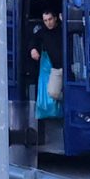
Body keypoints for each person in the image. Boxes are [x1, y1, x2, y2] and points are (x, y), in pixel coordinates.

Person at [25, 8, 66, 144]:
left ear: (55, 18)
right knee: (53, 92)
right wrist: (33, 50)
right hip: (56, 68)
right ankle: (67, 100)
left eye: (50, 19)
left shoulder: (62, 29)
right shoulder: (42, 32)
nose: (48, 23)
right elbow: (33, 40)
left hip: (70, 66)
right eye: (45, 20)